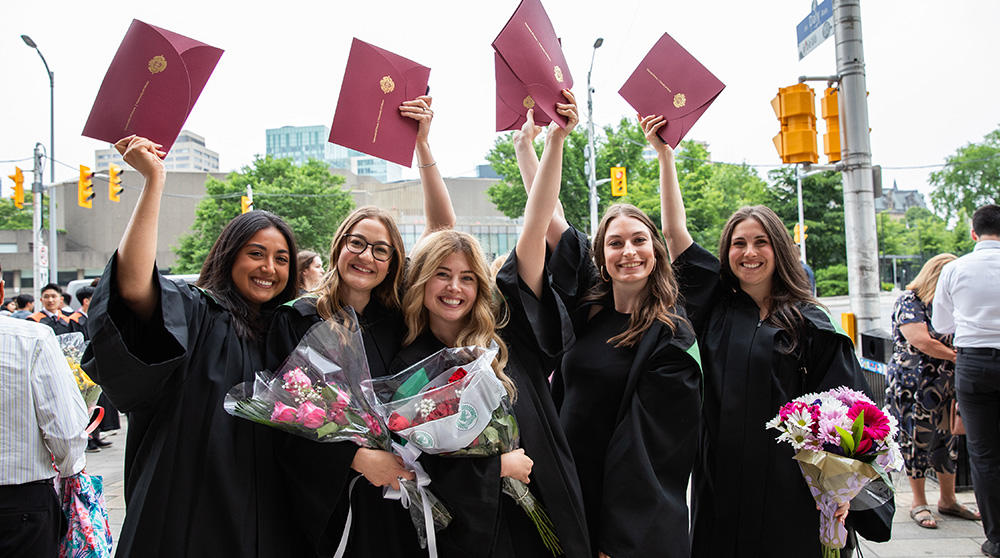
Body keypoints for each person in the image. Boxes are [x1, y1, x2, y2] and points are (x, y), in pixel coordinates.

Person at [639, 114, 890, 556]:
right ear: (727, 252)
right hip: (722, 479)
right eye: (738, 243)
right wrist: (665, 155)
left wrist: (845, 487)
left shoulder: (812, 323)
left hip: (791, 485)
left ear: (780, 249)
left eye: (761, 242)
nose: (749, 253)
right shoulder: (716, 306)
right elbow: (675, 236)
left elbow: (851, 411)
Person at [81, 135, 307, 557]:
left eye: (281, 259)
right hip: (190, 513)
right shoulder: (198, 312)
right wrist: (154, 182)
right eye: (256, 253)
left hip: (273, 519)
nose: (268, 268)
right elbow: (132, 289)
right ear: (228, 256)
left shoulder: (291, 331)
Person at [390, 90, 589, 558]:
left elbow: (536, 224)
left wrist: (555, 142)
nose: (454, 288)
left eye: (466, 278)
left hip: (540, 513)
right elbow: (413, 464)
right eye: (441, 275)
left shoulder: (505, 334)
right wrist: (495, 467)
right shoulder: (408, 362)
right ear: (421, 282)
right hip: (461, 534)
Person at [265, 95, 456, 557]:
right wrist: (355, 457)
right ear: (338, 247)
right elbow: (281, 419)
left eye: (380, 250)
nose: (366, 256)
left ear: (393, 263)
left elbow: (443, 229)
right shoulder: (297, 319)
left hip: (403, 485)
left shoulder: (399, 320)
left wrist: (423, 146)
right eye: (357, 243)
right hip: (331, 497)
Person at [512, 109, 700, 557]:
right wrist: (530, 145)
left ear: (656, 250)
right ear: (600, 255)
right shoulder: (589, 309)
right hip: (568, 490)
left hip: (628, 523)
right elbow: (549, 218)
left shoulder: (671, 338)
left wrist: (618, 539)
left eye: (639, 240)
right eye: (615, 243)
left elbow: (650, 453)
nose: (628, 251)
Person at [0, 261, 90, 557]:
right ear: (1, 291)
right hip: (19, 501)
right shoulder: (31, 338)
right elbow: (64, 430)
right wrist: (70, 469)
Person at [887, 253, 979, 528]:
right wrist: (958, 357)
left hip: (946, 386)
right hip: (913, 386)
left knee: (948, 442)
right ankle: (918, 503)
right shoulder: (910, 301)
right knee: (916, 441)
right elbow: (921, 340)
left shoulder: (951, 303)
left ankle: (947, 500)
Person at [932, 204, 1000, 558]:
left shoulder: (955, 268)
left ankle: (996, 538)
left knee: (984, 453)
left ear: (974, 233)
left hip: (973, 361)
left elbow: (941, 324)